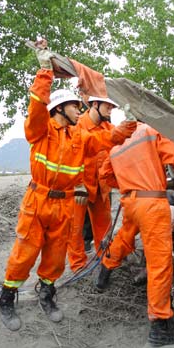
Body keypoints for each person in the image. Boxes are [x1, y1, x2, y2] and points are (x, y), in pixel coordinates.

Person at [0, 39, 136, 331]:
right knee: (25, 252)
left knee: (56, 255)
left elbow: (108, 139)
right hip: (38, 201)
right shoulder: (40, 130)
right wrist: (45, 70)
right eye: (75, 105)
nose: (79, 108)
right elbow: (37, 103)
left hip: (64, 203)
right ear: (60, 109)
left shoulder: (79, 137)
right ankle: (7, 299)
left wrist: (130, 123)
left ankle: (47, 293)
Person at [95, 122, 174, 347]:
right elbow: (172, 154)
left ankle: (105, 268)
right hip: (152, 203)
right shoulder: (149, 130)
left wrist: (126, 183)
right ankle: (159, 325)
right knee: (160, 264)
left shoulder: (115, 146)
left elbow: (105, 175)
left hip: (130, 201)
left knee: (125, 236)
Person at [66, 95, 118, 272]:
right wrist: (78, 184)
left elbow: (118, 151)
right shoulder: (76, 125)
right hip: (79, 188)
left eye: (112, 107)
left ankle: (104, 260)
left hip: (101, 187)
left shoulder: (109, 128)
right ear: (95, 104)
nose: (111, 109)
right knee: (75, 229)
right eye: (108, 106)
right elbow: (70, 158)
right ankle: (78, 265)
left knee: (104, 226)